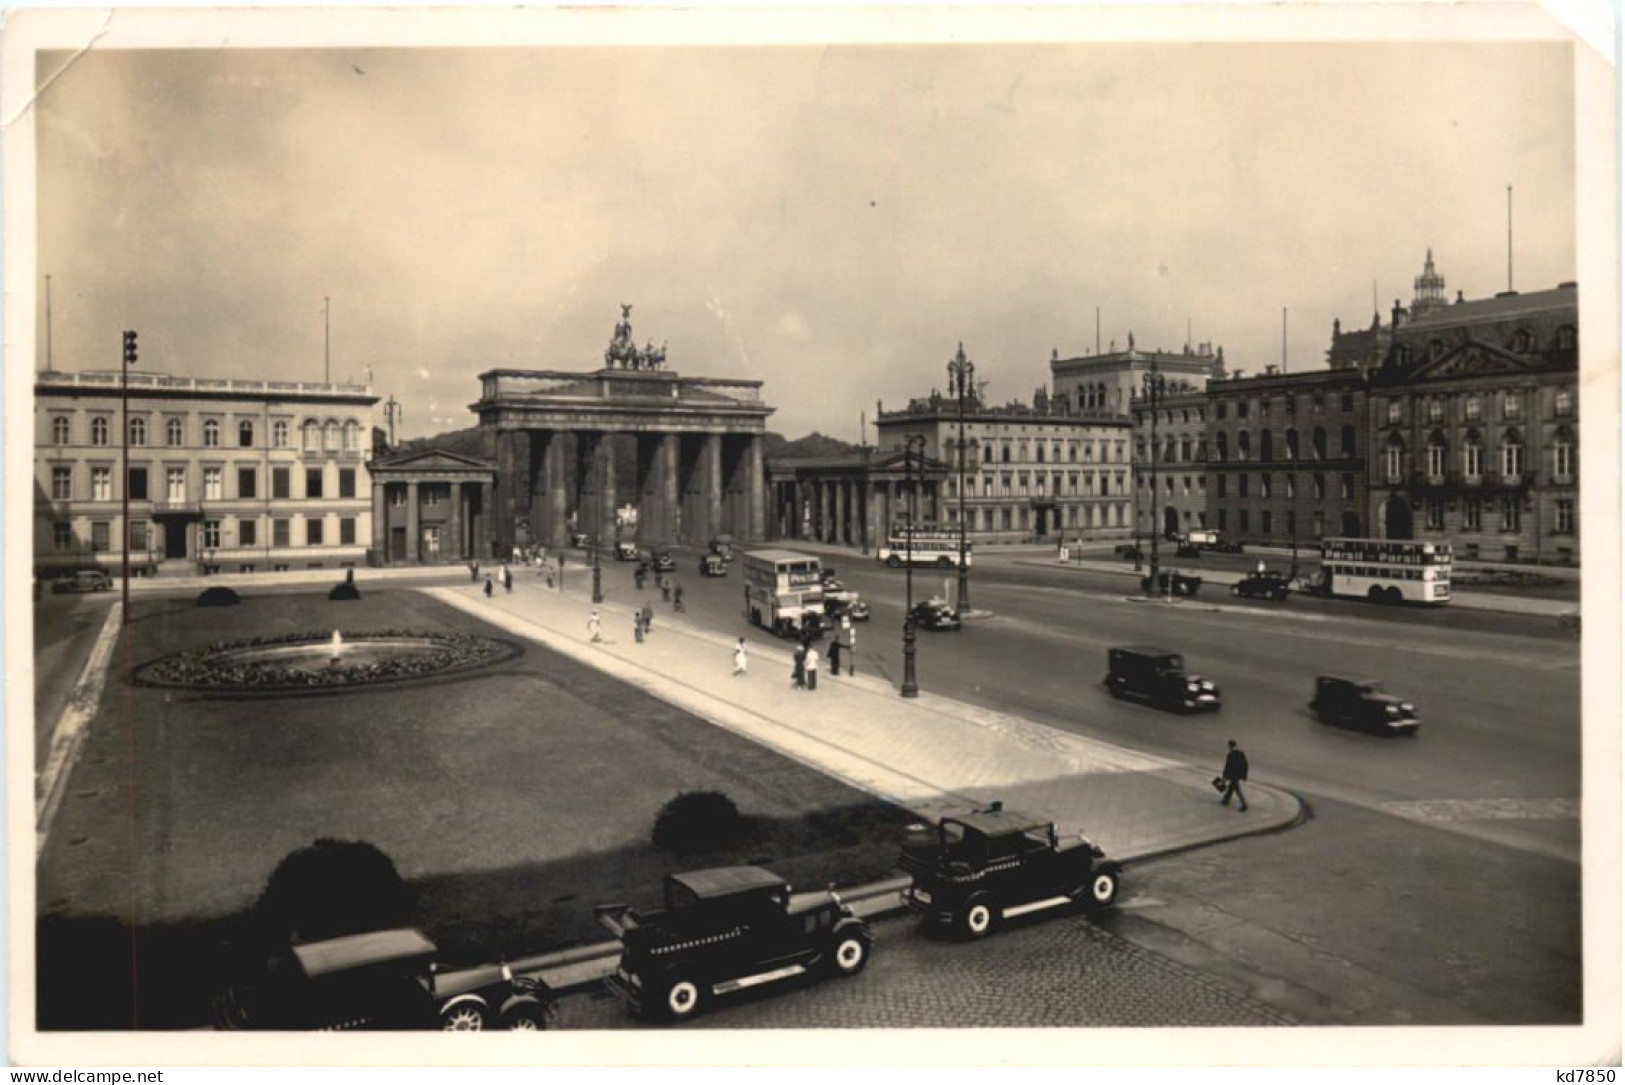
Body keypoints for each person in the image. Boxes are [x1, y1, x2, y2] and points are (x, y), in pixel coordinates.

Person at [1220, 739, 1249, 812]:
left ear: (1230, 746)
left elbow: (1228, 766)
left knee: (1237, 789)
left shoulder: (1230, 754)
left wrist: (1224, 776)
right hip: (1238, 774)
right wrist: (1244, 775)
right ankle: (1226, 799)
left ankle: (1244, 804)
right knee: (1232, 787)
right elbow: (1245, 765)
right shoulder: (1241, 753)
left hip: (1233, 775)